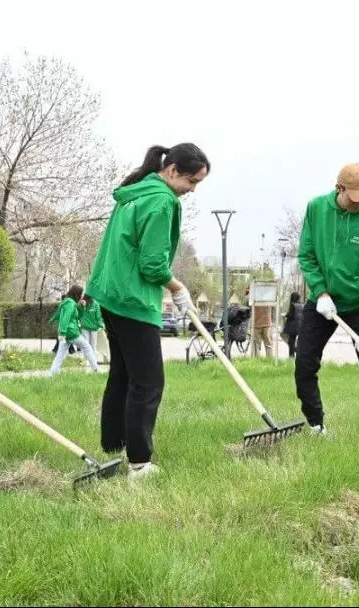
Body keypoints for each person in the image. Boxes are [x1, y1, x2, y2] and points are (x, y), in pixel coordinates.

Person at [85, 143, 209, 479]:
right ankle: (139, 462)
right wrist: (178, 288)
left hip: (110, 293)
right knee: (149, 381)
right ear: (172, 171)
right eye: (192, 182)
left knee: (123, 374)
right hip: (133, 299)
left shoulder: (134, 192)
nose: (192, 190)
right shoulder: (161, 200)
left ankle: (114, 447)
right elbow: (153, 264)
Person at [295, 163, 359, 450]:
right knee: (304, 365)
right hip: (322, 303)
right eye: (355, 198)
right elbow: (307, 254)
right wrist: (321, 292)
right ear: (339, 189)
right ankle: (316, 424)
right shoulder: (316, 209)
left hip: (357, 303)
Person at [48, 286, 99, 376]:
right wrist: (62, 332)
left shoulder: (68, 302)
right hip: (71, 332)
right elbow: (65, 318)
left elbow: (78, 316)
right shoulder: (70, 304)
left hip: (67, 334)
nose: (81, 296)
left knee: (60, 355)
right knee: (87, 347)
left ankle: (52, 373)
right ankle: (95, 370)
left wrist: (82, 307)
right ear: (76, 293)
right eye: (81, 294)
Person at [79, 294, 104, 362]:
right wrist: (82, 306)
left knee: (93, 344)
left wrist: (101, 325)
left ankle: (92, 360)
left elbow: (98, 316)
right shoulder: (82, 303)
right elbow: (79, 313)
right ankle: (85, 360)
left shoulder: (95, 304)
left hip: (94, 327)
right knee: (86, 344)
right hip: (85, 327)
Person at [282, 292, 303, 358]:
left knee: (291, 342)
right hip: (300, 327)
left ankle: (291, 356)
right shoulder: (302, 305)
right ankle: (299, 354)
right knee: (299, 342)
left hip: (292, 327)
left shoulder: (293, 305)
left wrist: (285, 315)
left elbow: (290, 315)